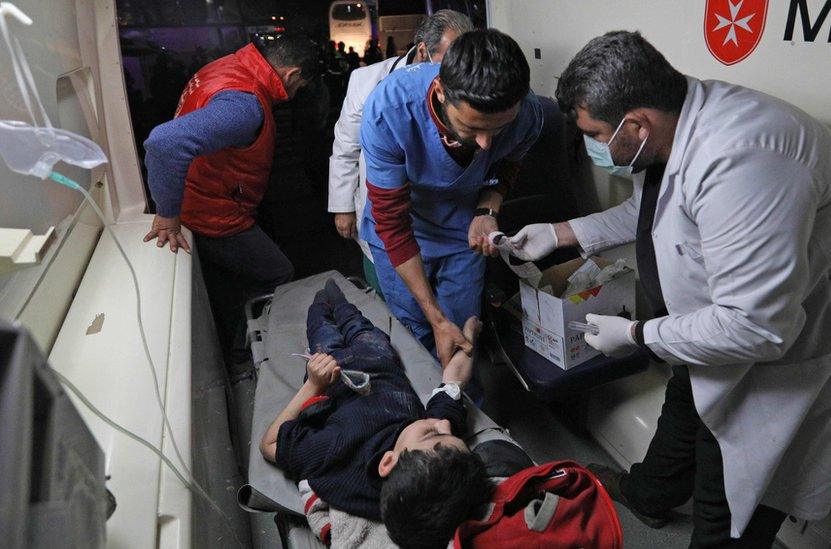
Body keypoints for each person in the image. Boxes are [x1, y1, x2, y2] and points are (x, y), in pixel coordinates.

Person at [510, 31, 831, 547]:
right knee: (686, 399)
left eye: (594, 135)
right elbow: (652, 209)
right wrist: (562, 233)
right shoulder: (680, 113)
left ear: (636, 124)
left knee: (727, 489)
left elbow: (757, 327)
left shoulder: (746, 159)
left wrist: (637, 335)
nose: (591, 147)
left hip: (797, 340)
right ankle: (650, 494)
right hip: (719, 316)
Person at [359, 29, 544, 368]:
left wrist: (488, 208)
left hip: (462, 229)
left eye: (498, 129)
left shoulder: (527, 114)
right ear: (441, 94)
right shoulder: (390, 111)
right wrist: (435, 317)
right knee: (416, 332)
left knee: (463, 332)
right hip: (403, 230)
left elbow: (508, 165)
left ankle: (462, 407)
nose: (486, 143)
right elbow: (392, 222)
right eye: (472, 129)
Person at [259, 280, 492, 548]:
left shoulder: (335, 453)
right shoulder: (432, 460)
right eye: (448, 432)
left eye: (431, 432)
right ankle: (338, 298)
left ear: (388, 462)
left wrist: (313, 384)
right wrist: (470, 337)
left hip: (330, 368)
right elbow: (454, 380)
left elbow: (269, 444)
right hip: (377, 355)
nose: (442, 422)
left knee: (320, 325)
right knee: (355, 321)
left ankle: (322, 299)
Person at [142, 35, 319, 362]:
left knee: (225, 286)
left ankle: (234, 342)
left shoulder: (230, 65)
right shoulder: (246, 105)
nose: (293, 96)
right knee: (277, 272)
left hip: (207, 195)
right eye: (299, 88)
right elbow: (164, 144)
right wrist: (168, 215)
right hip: (212, 213)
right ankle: (248, 354)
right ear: (292, 74)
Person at [329, 10, 473, 298]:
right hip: (386, 198)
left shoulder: (464, 89)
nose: (461, 71)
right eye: (451, 60)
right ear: (423, 51)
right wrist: (342, 205)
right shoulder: (367, 81)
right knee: (389, 281)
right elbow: (346, 147)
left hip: (439, 209)